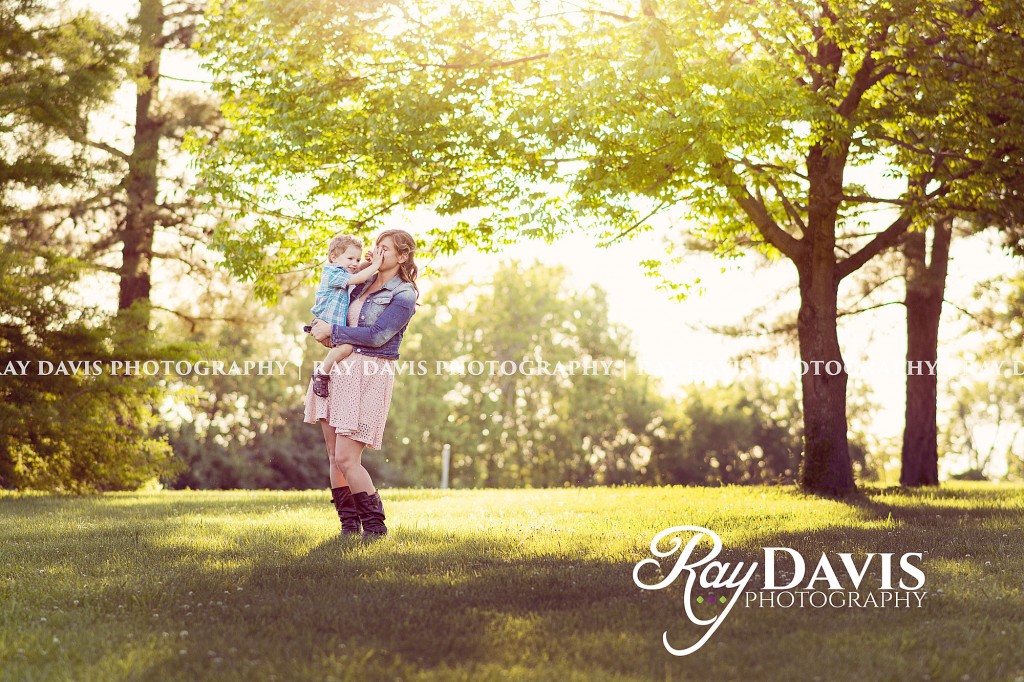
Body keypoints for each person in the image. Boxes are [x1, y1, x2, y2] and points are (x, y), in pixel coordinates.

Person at [304, 229, 418, 539]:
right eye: (376, 248)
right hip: (338, 370)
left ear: (403, 256)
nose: (376, 253)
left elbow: (378, 336)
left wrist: (335, 333)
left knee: (347, 457)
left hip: (368, 375)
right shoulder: (362, 281)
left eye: (385, 249)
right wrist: (322, 329)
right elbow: (336, 310)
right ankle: (349, 526)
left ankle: (376, 528)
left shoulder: (404, 294)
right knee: (332, 455)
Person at [307, 235, 384, 398]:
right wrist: (376, 265)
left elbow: (357, 271)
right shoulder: (332, 273)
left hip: (332, 324)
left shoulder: (342, 270)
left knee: (346, 349)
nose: (355, 263)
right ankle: (321, 373)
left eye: (357, 259)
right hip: (325, 322)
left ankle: (334, 381)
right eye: (350, 258)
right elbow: (359, 277)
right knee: (347, 348)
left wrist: (369, 262)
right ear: (333, 257)